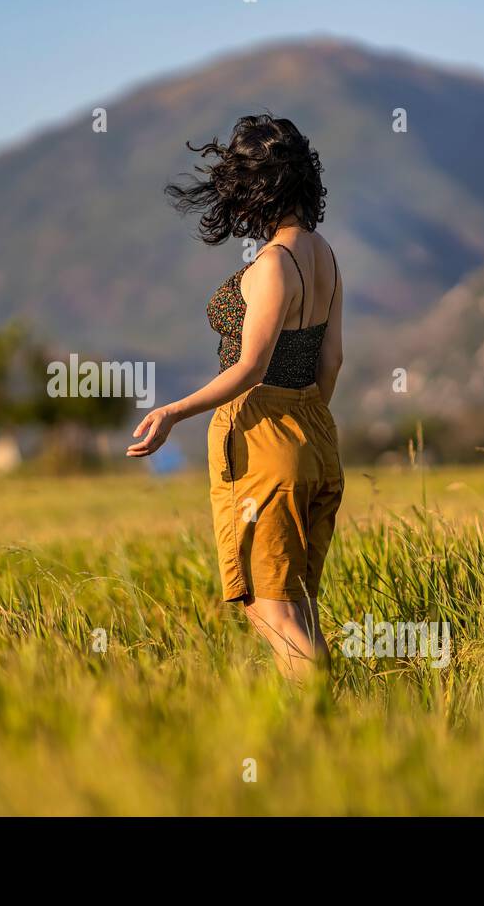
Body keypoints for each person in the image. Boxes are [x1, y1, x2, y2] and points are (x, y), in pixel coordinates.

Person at [127, 114, 344, 681]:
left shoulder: (273, 264)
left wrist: (172, 412)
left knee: (268, 609)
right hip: (316, 436)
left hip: (263, 440)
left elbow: (249, 368)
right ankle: (334, 733)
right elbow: (332, 360)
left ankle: (326, 724)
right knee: (299, 606)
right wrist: (305, 423)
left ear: (257, 188)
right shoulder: (325, 255)